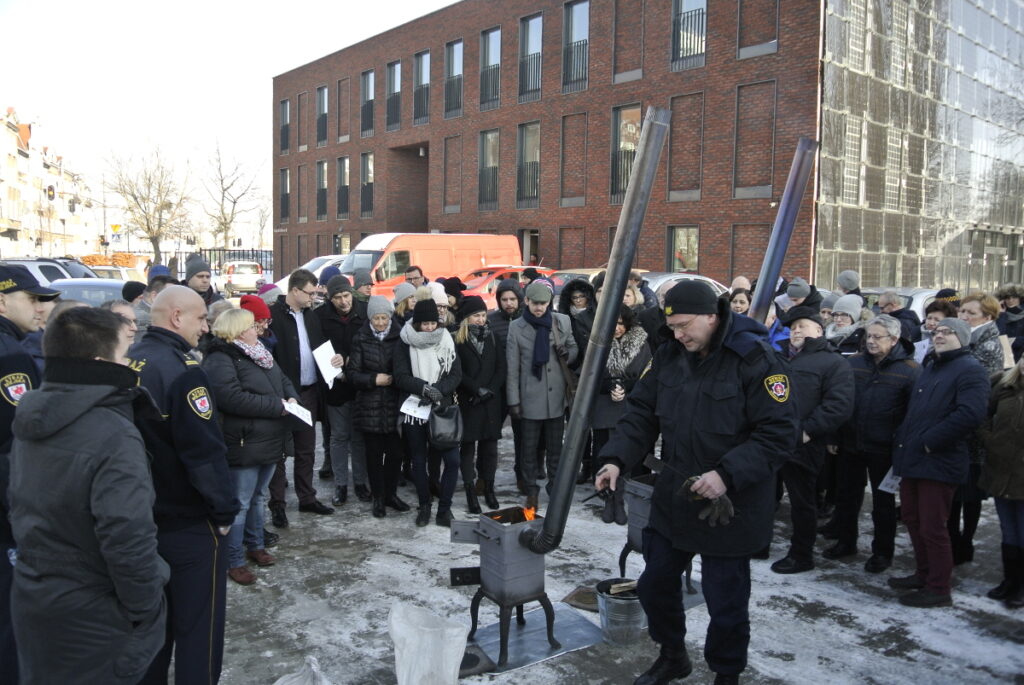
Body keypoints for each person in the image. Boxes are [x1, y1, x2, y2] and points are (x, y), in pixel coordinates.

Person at [595, 280, 798, 684]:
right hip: (677, 496)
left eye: (686, 325)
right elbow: (640, 413)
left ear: (712, 316)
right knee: (654, 585)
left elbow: (780, 433)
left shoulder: (755, 359)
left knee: (726, 602)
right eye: (672, 326)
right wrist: (616, 458)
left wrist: (726, 474)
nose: (678, 334)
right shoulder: (670, 354)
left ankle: (726, 673)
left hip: (730, 506)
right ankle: (673, 655)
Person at [8, 306, 169, 684]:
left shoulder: (33, 413)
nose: (129, 362)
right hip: (94, 612)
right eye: (123, 354)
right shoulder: (111, 431)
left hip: (35, 596)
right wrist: (146, 608)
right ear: (101, 361)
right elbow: (127, 535)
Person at [127, 285, 240, 684]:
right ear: (177, 317)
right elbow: (204, 452)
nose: (205, 328)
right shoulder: (184, 374)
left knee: (153, 630)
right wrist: (224, 512)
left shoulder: (130, 359)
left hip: (140, 517)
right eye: (201, 319)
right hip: (188, 522)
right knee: (198, 632)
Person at [888, 317, 988, 607]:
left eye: (948, 332)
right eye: (937, 331)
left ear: (963, 338)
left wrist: (931, 441)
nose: (939, 335)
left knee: (933, 526)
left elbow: (970, 414)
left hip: (939, 460)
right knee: (912, 519)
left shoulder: (970, 370)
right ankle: (923, 573)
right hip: (912, 457)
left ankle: (939, 587)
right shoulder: (930, 366)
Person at [202, 308, 297, 586]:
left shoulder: (260, 352)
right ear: (237, 330)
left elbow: (283, 380)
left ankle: (255, 545)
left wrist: (291, 398)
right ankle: (234, 560)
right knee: (240, 502)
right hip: (244, 440)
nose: (259, 329)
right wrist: (276, 406)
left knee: (257, 497)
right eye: (252, 326)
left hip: (269, 437)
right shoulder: (222, 357)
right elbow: (230, 397)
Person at [0, 265, 59, 681]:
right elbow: (19, 443)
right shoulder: (12, 356)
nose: (42, 309)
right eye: (33, 299)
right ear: (2, 301)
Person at [829, 315, 920, 573]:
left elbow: (911, 415)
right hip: (851, 442)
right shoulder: (853, 363)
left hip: (884, 448)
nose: (871, 341)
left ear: (893, 339)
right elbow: (841, 402)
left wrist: (900, 447)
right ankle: (846, 542)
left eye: (877, 337)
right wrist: (835, 436)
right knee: (847, 497)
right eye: (868, 336)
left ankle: (882, 552)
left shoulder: (910, 370)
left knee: (883, 504)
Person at [769, 306, 853, 574]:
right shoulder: (775, 354)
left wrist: (807, 432)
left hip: (803, 443)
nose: (795, 330)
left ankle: (801, 555)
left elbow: (838, 405)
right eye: (792, 326)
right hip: (769, 439)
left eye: (802, 325)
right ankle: (758, 542)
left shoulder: (832, 362)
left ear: (819, 330)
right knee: (763, 495)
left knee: (802, 502)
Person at [267, 269, 335, 527]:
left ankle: (307, 498)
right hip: (283, 395)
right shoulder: (273, 316)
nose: (313, 298)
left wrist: (333, 362)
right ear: (294, 291)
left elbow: (318, 347)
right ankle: (278, 504)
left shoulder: (311, 316)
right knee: (279, 452)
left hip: (309, 391)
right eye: (309, 293)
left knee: (307, 449)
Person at [506, 280, 578, 510]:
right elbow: (512, 367)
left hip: (556, 397)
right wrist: (513, 400)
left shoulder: (562, 321)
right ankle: (531, 490)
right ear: (526, 301)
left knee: (556, 448)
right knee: (528, 450)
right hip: (529, 398)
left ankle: (555, 487)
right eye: (535, 303)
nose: (539, 308)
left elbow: (574, 348)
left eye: (544, 303)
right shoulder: (517, 327)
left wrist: (568, 353)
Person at [394, 298, 463, 526]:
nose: (430, 327)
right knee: (418, 460)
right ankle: (424, 505)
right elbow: (401, 376)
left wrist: (438, 391)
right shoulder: (405, 341)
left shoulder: (446, 339)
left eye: (433, 323)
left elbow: (455, 373)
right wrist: (424, 388)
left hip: (441, 408)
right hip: (415, 409)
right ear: (417, 323)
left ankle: (444, 509)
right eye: (425, 324)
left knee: (452, 461)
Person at [948, 291, 1003, 565]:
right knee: (957, 490)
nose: (964, 316)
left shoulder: (989, 344)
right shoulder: (967, 337)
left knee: (969, 492)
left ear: (987, 317)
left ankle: (965, 541)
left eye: (970, 313)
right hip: (959, 425)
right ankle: (954, 540)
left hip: (974, 428)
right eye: (962, 312)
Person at [346, 295, 407, 518]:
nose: (380, 323)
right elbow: (352, 373)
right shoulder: (361, 338)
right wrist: (373, 380)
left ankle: (391, 494)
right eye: (376, 319)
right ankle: (378, 498)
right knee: (373, 455)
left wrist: (394, 379)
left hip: (394, 405)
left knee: (395, 454)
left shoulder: (400, 336)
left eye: (384, 318)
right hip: (369, 406)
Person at [592, 304, 651, 525]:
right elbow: (588, 374)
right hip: (604, 406)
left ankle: (620, 499)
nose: (616, 328)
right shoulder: (597, 342)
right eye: (612, 323)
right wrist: (610, 387)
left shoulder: (641, 343)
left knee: (626, 454)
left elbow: (648, 376)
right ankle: (609, 500)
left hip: (630, 406)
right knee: (604, 452)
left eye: (620, 323)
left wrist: (626, 388)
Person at [317, 275, 370, 506]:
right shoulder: (320, 316)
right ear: (330, 298)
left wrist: (350, 360)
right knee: (338, 437)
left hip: (360, 384)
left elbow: (372, 345)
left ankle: (360, 482)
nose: (343, 301)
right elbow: (317, 346)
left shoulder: (365, 312)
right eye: (337, 297)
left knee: (358, 438)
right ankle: (341, 484)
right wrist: (332, 361)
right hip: (335, 386)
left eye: (346, 296)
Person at [979, 355, 1024, 608]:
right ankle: (1010, 580)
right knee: (1008, 531)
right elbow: (983, 416)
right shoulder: (1004, 386)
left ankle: (1021, 587)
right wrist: (990, 440)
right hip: (1001, 470)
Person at [454, 296, 506, 513]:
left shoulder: (492, 337)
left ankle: (489, 488)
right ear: (467, 318)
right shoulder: (458, 339)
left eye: (483, 315)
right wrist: (476, 389)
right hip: (469, 401)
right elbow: (458, 371)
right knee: (467, 449)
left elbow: (501, 367)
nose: (481, 319)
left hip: (490, 401)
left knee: (490, 450)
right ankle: (470, 492)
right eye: (476, 315)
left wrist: (489, 390)